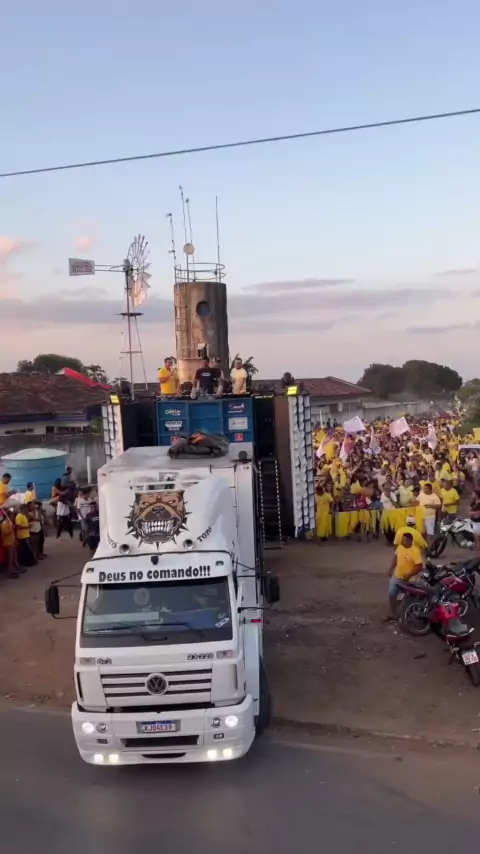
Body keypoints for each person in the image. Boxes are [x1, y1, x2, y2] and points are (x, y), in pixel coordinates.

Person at [387, 531, 423, 620]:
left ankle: (404, 615)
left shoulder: (415, 551)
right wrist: (390, 570)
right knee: (391, 593)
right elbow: (395, 559)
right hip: (397, 576)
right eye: (402, 539)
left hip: (409, 580)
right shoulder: (400, 547)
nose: (402, 541)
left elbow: (419, 567)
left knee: (406, 598)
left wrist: (409, 575)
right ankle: (393, 613)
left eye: (404, 540)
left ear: (410, 541)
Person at [0, 507, 19, 578]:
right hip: (8, 543)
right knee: (9, 559)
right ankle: (9, 573)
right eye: (12, 515)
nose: (13, 516)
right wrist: (10, 529)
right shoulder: (5, 524)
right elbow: (4, 534)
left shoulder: (10, 522)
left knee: (12, 558)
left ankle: (11, 571)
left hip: (12, 542)